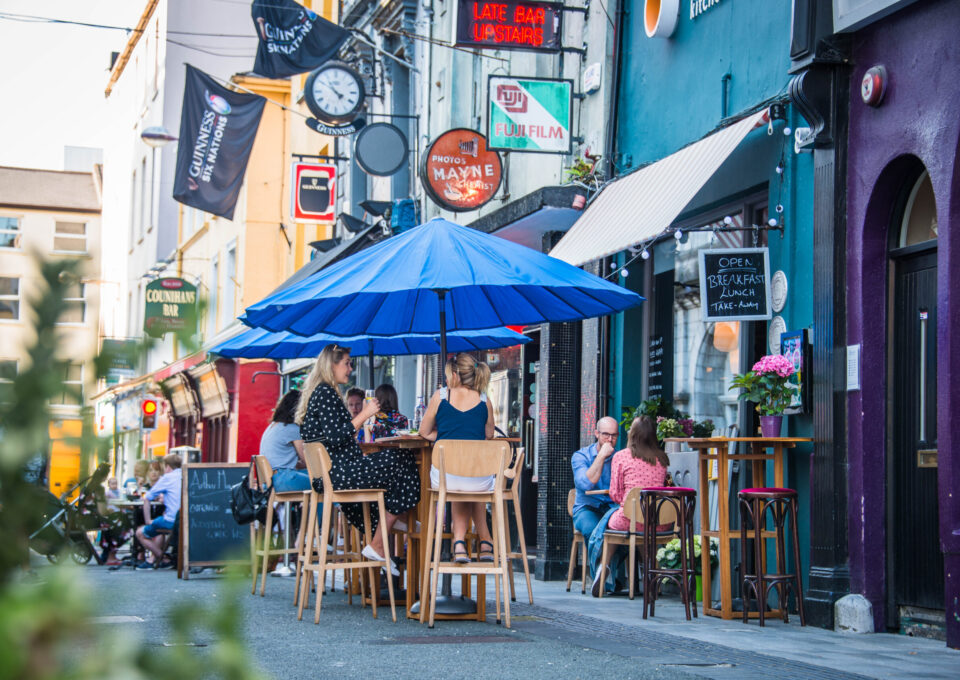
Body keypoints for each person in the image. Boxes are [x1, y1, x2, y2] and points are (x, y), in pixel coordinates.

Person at [297, 344, 420, 576]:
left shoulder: (322, 392)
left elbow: (338, 437)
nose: (351, 368)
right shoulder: (325, 393)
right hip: (337, 473)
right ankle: (386, 533)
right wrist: (365, 413)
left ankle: (391, 525)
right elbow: (336, 437)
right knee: (403, 458)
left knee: (397, 464)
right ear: (331, 365)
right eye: (347, 363)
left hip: (333, 472)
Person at [418, 354, 496, 563]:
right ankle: (484, 542)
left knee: (459, 478)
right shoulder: (484, 400)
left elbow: (424, 432)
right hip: (479, 480)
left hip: (446, 477)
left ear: (454, 375)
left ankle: (459, 542)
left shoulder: (441, 396)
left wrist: (444, 439)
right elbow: (489, 435)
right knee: (470, 479)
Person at [607, 416, 669, 531]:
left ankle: (603, 550)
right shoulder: (662, 458)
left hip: (628, 519)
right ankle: (647, 550)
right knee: (642, 528)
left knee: (606, 521)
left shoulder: (620, 456)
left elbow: (616, 495)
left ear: (633, 434)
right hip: (657, 522)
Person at [571, 417, 620, 542]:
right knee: (593, 530)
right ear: (596, 433)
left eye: (614, 435)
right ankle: (599, 562)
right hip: (587, 508)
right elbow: (586, 484)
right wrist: (601, 456)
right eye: (606, 434)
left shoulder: (620, 458)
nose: (610, 439)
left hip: (612, 508)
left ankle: (608, 562)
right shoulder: (580, 456)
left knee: (625, 533)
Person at [135, 453, 182, 569]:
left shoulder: (167, 478)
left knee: (139, 533)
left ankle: (164, 558)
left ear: (168, 467)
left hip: (172, 521)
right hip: (189, 520)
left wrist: (148, 520)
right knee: (160, 528)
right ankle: (157, 559)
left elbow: (147, 498)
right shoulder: (188, 474)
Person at [260, 389, 309, 492]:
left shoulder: (272, 427)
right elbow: (308, 461)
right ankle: (338, 507)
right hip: (283, 480)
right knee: (323, 483)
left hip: (269, 482)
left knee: (316, 480)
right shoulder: (292, 429)